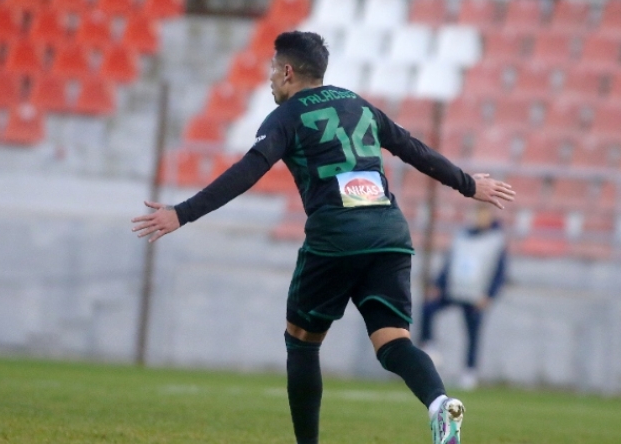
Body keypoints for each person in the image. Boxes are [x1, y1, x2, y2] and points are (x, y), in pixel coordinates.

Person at [131, 31, 515, 444]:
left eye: (273, 69)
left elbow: (246, 172)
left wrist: (182, 213)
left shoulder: (286, 116)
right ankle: (440, 404)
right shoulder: (357, 104)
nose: (270, 78)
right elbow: (411, 147)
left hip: (337, 234)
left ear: (288, 71)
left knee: (301, 341)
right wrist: (467, 184)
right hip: (388, 231)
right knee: (392, 339)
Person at [419, 202, 508, 390]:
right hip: (454, 289)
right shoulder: (462, 235)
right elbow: (450, 262)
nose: (479, 218)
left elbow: (499, 272)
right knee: (428, 308)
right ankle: (429, 345)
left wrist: (489, 295)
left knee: (473, 333)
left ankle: (469, 371)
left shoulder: (497, 240)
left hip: (476, 295)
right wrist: (438, 284)